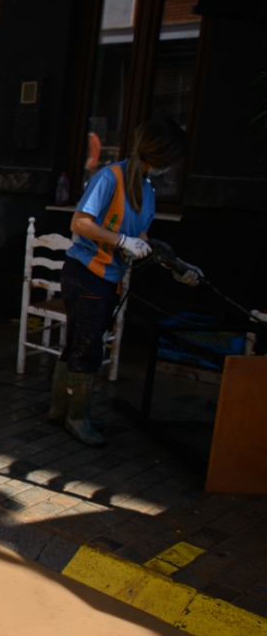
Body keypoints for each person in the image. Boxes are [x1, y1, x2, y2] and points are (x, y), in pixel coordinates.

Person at [54, 118, 196, 446]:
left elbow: (142, 232)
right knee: (87, 350)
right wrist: (120, 240)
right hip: (86, 275)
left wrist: (164, 257)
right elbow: (80, 223)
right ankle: (77, 419)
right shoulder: (109, 178)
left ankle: (60, 410)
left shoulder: (146, 190)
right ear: (161, 157)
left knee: (77, 345)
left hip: (108, 278)